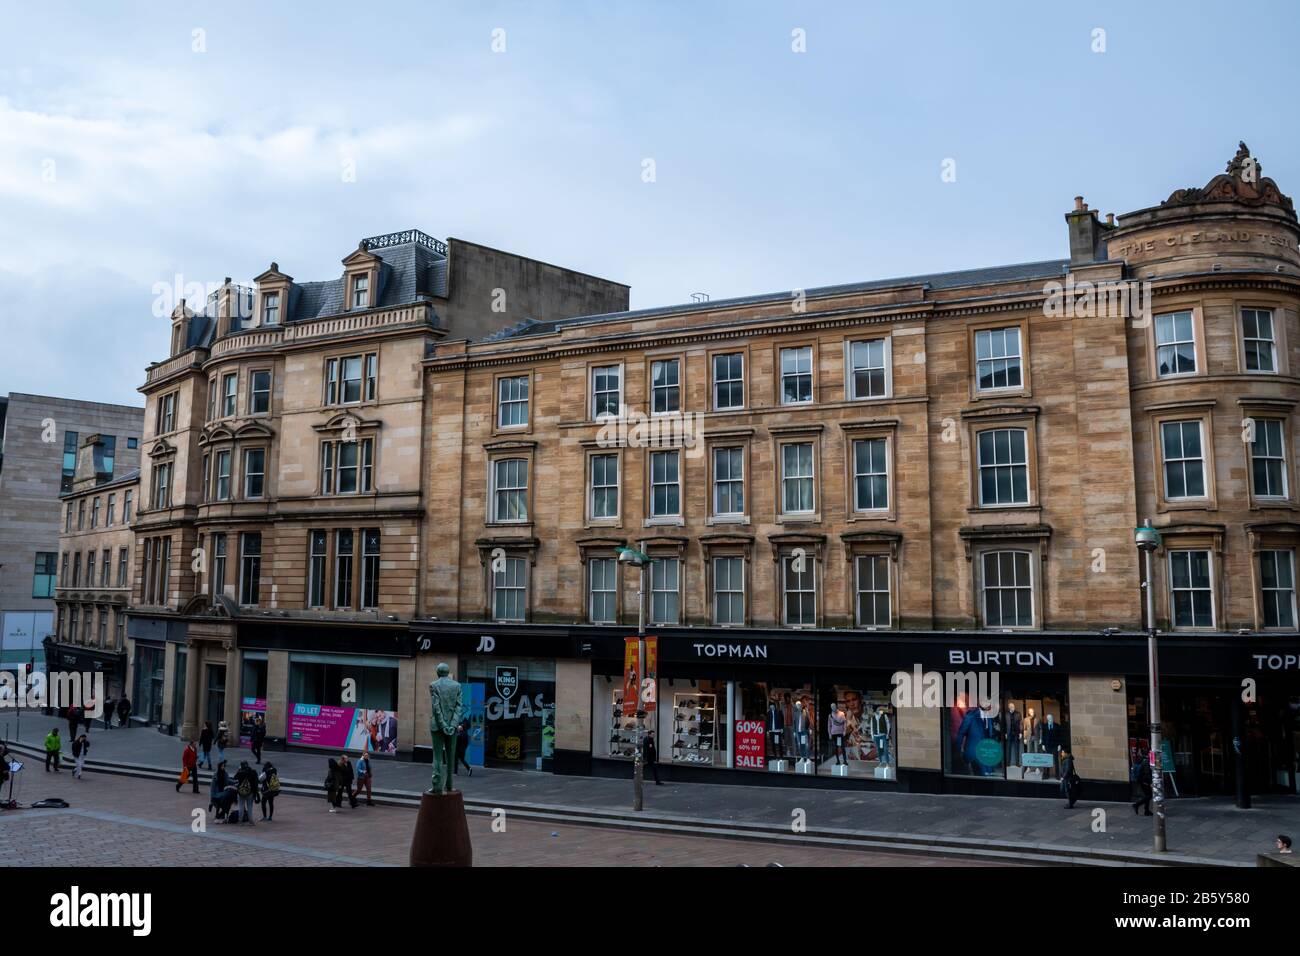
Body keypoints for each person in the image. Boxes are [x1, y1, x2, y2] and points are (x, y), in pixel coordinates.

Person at [233, 760, 259, 825]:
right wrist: (255, 792)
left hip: (241, 792)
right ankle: (251, 821)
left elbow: (235, 777)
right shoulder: (253, 772)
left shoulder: (240, 772)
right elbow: (256, 782)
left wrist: (239, 770)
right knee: (250, 807)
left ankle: (240, 821)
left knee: (241, 806)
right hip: (250, 792)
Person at [1133, 751, 1153, 816]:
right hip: (1144, 781)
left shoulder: (1146, 761)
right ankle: (1136, 805)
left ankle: (1146, 811)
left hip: (1144, 781)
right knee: (1149, 795)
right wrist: (1151, 782)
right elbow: (1147, 774)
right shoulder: (1146, 762)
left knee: (1148, 795)